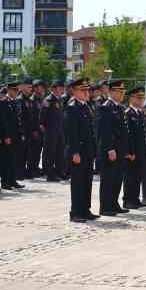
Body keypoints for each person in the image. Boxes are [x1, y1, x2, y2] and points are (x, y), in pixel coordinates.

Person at [64, 78, 98, 222]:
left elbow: (91, 131)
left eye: (87, 90)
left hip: (88, 150)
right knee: (78, 182)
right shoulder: (72, 107)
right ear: (75, 91)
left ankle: (85, 209)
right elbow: (71, 133)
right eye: (83, 90)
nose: (86, 93)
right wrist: (74, 152)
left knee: (87, 181)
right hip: (78, 151)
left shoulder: (86, 106)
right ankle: (76, 212)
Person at [94, 80, 128, 215]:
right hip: (110, 150)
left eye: (122, 92)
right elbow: (105, 131)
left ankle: (114, 204)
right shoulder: (105, 107)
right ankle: (105, 207)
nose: (121, 95)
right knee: (108, 179)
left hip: (119, 149)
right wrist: (110, 149)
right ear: (111, 92)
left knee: (117, 178)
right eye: (119, 92)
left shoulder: (119, 107)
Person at [121, 86, 146, 209]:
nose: (141, 100)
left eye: (142, 98)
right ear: (131, 99)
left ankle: (135, 198)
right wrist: (129, 151)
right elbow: (127, 135)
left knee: (138, 176)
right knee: (130, 176)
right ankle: (128, 200)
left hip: (140, 150)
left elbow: (144, 132)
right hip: (132, 152)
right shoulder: (128, 113)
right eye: (139, 98)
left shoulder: (139, 113)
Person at [42, 80, 67, 183]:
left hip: (59, 129)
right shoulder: (49, 99)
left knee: (60, 152)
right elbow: (43, 116)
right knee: (50, 153)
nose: (62, 89)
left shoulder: (60, 99)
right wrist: (46, 129)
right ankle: (50, 174)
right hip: (51, 130)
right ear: (54, 89)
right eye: (59, 88)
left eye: (62, 88)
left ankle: (59, 172)